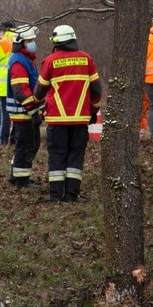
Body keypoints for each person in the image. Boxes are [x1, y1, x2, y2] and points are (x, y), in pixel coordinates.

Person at [33, 25, 102, 202]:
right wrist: (93, 111)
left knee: (57, 155)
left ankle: (55, 195)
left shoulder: (49, 61)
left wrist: (36, 104)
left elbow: (39, 92)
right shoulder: (87, 59)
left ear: (56, 42)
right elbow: (96, 90)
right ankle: (72, 194)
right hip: (81, 120)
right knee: (76, 156)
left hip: (57, 120)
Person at [6, 24, 42, 188]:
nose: (33, 42)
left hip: (25, 112)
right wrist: (33, 111)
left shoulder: (26, 59)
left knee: (29, 144)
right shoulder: (19, 61)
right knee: (26, 145)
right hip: (23, 113)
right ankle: (21, 180)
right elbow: (20, 90)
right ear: (22, 42)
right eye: (30, 40)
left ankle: (18, 175)